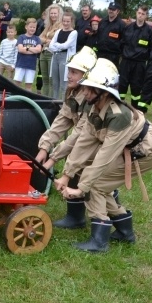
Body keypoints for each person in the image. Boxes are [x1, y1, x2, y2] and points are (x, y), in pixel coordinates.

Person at [52, 59, 152, 252]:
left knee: (95, 184)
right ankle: (124, 232)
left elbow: (105, 156)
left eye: (89, 89)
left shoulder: (119, 115)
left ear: (104, 92)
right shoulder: (93, 106)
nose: (84, 92)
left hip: (146, 151)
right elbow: (83, 143)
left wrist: (81, 188)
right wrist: (67, 175)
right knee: (97, 183)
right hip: (130, 148)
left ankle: (99, 241)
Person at [34, 46, 98, 228]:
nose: (69, 75)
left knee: (96, 179)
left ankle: (110, 222)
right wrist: (44, 147)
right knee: (76, 166)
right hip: (85, 142)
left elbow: (80, 134)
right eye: (69, 70)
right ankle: (75, 218)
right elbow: (62, 120)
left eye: (74, 72)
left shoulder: (92, 97)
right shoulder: (74, 92)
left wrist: (52, 159)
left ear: (86, 75)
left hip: (100, 145)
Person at [119, 4, 152, 109]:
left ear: (146, 16)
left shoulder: (149, 31)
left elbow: (151, 48)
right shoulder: (128, 28)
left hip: (139, 64)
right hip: (126, 62)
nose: (140, 15)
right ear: (136, 13)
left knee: (136, 88)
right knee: (122, 85)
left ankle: (134, 110)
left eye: (143, 14)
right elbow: (121, 44)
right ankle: (119, 106)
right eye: (139, 13)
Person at [48, 11, 78, 99]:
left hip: (65, 58)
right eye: (64, 21)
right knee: (55, 83)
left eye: (68, 21)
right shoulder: (58, 31)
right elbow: (50, 45)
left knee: (64, 83)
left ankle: (63, 104)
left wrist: (56, 45)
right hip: (56, 56)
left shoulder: (73, 33)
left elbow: (66, 45)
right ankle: (54, 102)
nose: (65, 23)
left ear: (71, 21)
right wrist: (58, 47)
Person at [38, 4, 63, 97]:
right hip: (43, 53)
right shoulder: (48, 26)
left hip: (52, 54)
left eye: (55, 13)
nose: (53, 15)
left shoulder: (61, 26)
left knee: (52, 80)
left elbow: (56, 42)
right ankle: (44, 99)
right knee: (45, 80)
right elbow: (39, 38)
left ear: (59, 14)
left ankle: (52, 100)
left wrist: (46, 41)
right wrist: (46, 41)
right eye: (51, 13)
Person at [14, 18, 42, 91]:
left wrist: (27, 48)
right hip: (21, 64)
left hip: (31, 65)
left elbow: (39, 50)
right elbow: (20, 49)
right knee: (17, 83)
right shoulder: (21, 37)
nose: (32, 29)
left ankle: (27, 99)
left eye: (34, 27)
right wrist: (33, 50)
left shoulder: (37, 39)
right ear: (26, 27)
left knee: (29, 85)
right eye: (31, 27)